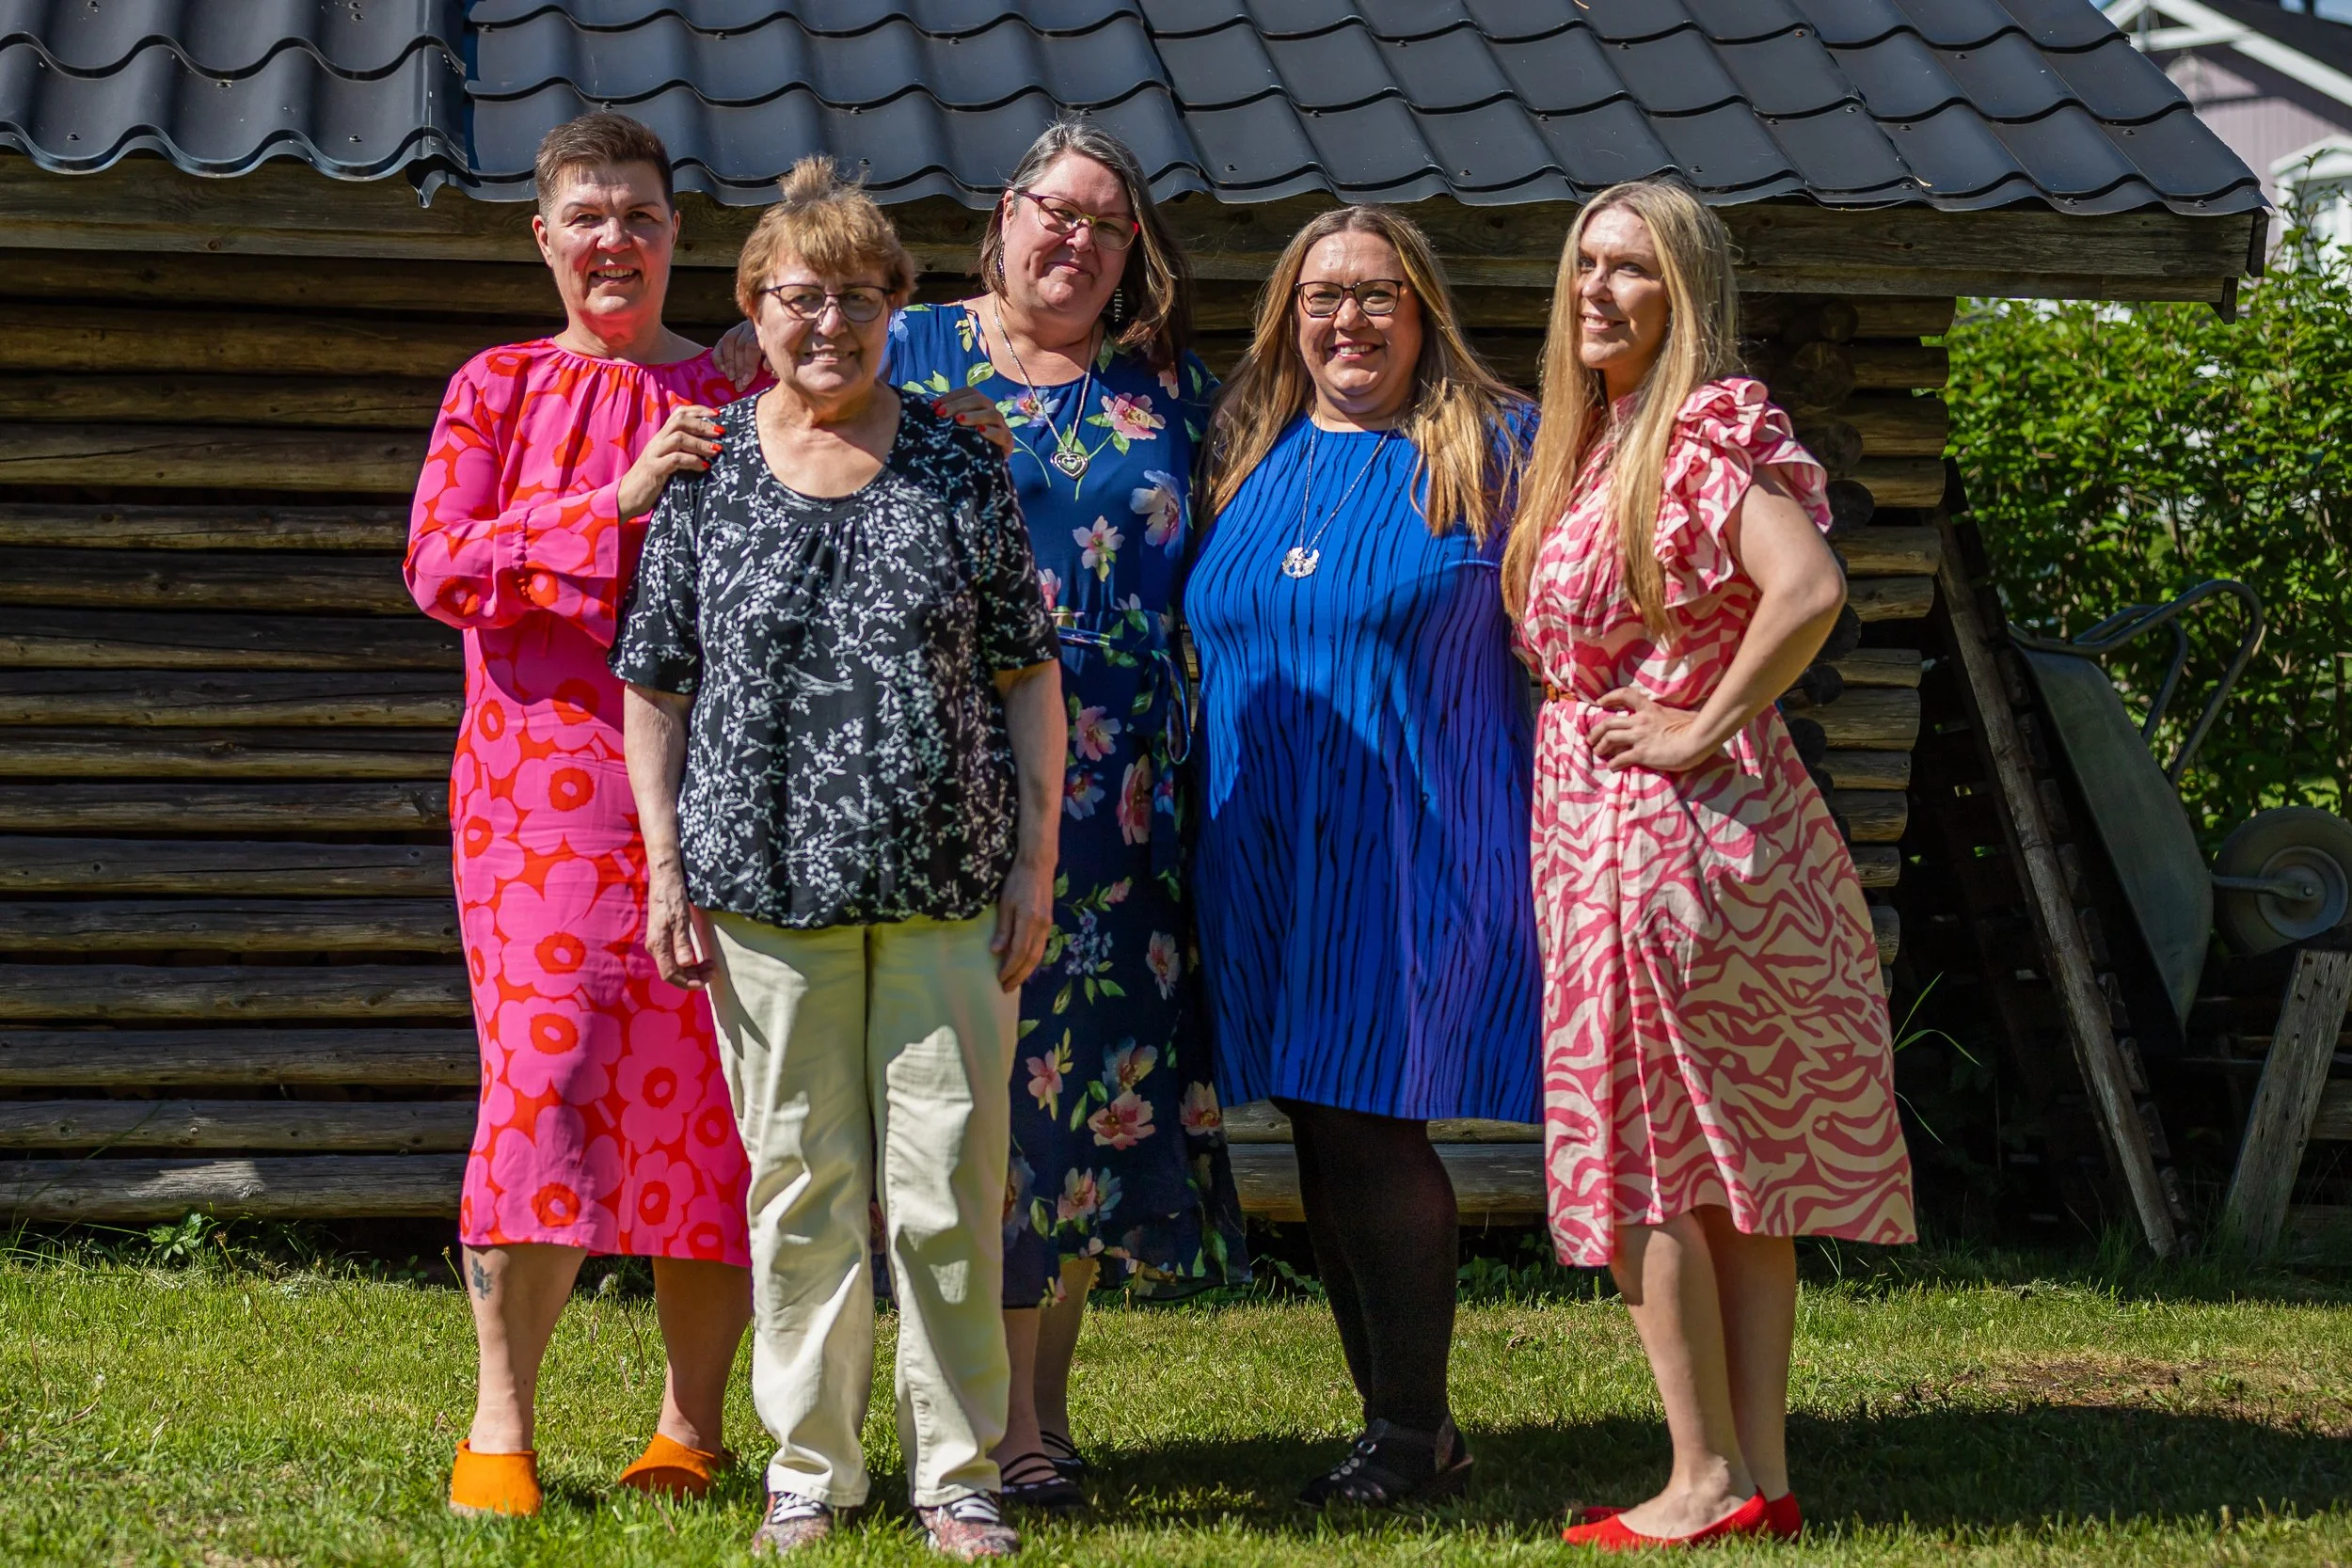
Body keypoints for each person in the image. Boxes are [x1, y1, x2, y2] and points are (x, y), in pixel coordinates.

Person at [612, 156, 1063, 1562]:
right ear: (755, 307)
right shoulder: (705, 475)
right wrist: (665, 871)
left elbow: (1027, 672)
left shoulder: (959, 463)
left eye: (860, 297)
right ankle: (808, 1469)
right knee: (800, 1190)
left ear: (896, 310)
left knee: (946, 1191)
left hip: (945, 891)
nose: (830, 323)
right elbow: (654, 685)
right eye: (802, 297)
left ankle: (958, 1473)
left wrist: (1035, 863)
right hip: (763, 895)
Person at [1503, 179, 1915, 1550]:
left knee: (1648, 1160)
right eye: (1585, 266)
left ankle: (1700, 1478)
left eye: (1631, 270)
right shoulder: (1607, 440)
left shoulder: (1689, 436)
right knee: (1726, 1168)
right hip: (1663, 831)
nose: (1597, 291)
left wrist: (1693, 723)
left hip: (1657, 835)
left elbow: (1809, 587)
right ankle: (1760, 1481)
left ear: (1684, 294)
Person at [884, 119, 1249, 1510]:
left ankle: (1037, 1408)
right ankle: (974, 1410)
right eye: (1058, 210)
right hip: (947, 770)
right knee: (971, 1092)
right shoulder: (905, 349)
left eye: (1107, 224)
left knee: (1088, 1096)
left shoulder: (1172, 389)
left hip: (1123, 795)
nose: (1077, 240)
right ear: (1005, 212)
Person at [405, 111, 757, 1518]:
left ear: (677, 234)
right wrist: (612, 501)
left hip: (721, 791)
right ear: (544, 236)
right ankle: (502, 1421)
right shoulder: (494, 387)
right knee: (540, 1087)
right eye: (589, 216)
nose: (617, 239)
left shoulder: (736, 392)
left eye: (641, 216)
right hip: (536, 799)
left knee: (715, 1105)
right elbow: (439, 565)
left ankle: (688, 1425)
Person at [1184, 205, 1539, 1508]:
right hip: (1262, 841)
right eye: (1323, 296)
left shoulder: (1499, 447)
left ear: (1424, 310)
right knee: (1317, 1121)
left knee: (1371, 1117)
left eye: (1379, 294)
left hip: (1412, 839)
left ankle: (1411, 1431)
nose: (1350, 319)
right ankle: (1396, 1424)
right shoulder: (1245, 449)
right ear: (1288, 316)